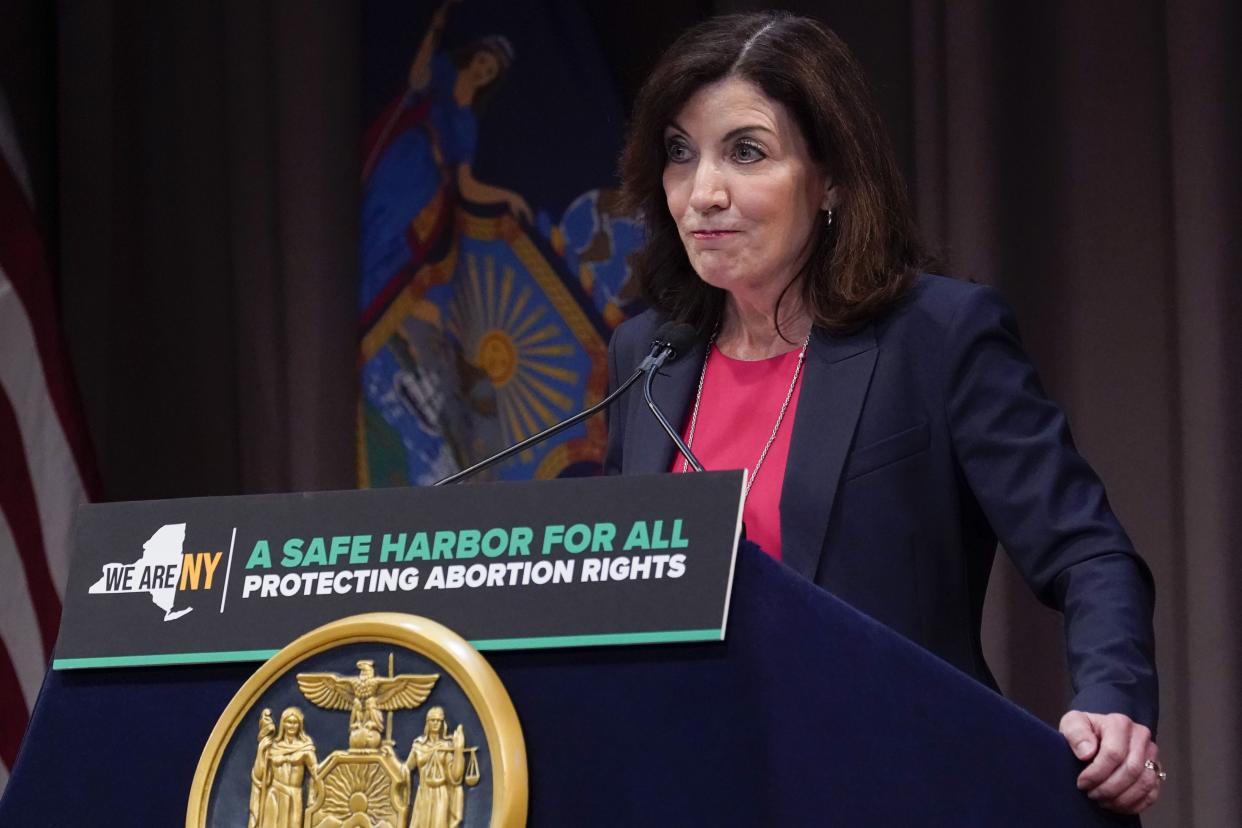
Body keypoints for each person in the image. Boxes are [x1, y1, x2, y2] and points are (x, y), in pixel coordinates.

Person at [605, 11, 1162, 815]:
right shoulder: (648, 361)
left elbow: (1089, 554)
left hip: (902, 783)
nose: (703, 193)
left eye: (747, 152)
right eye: (679, 153)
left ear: (830, 178)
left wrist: (1113, 703)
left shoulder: (935, 339)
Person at [405, 706, 467, 828]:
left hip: (440, 794)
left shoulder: (447, 746)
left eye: (439, 720)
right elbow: (406, 769)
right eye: (433, 720)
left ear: (443, 723)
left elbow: (455, 776)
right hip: (423, 793)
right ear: (427, 722)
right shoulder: (419, 745)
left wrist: (458, 750)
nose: (436, 723)